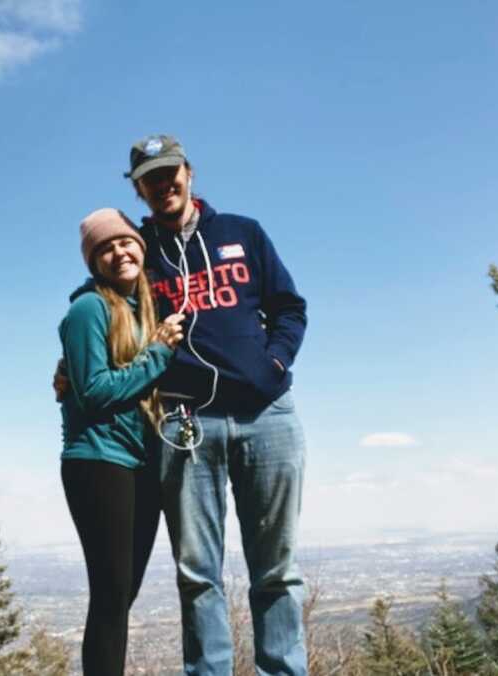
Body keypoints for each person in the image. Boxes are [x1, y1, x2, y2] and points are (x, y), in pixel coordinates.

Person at [126, 134, 308, 676]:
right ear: (138, 189)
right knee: (197, 572)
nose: (163, 185)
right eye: (149, 179)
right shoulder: (138, 249)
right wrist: (72, 360)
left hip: (266, 417)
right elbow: (95, 295)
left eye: (169, 172)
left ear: (189, 171)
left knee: (276, 570)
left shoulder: (242, 232)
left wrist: (272, 365)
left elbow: (289, 308)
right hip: (185, 422)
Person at [59, 207, 184, 676]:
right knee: (111, 595)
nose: (118, 252)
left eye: (124, 241)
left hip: (139, 465)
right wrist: (158, 354)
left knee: (123, 592)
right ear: (94, 263)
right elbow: (93, 392)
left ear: (140, 246)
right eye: (104, 248)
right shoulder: (88, 308)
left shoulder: (144, 307)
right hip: (98, 461)